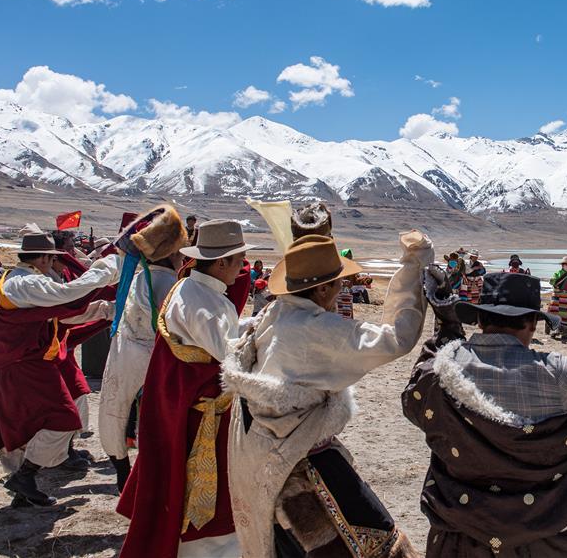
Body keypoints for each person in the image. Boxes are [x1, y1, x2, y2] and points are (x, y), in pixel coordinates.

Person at [402, 270, 567, 557]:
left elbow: (414, 404)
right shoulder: (556, 374)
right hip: (544, 544)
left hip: (456, 544)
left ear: (480, 320)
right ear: (532, 323)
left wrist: (447, 326)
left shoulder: (438, 374)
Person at [223, 232, 432, 556]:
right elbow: (397, 338)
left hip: (264, 459)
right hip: (304, 464)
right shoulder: (315, 328)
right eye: (337, 283)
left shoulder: (275, 314)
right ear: (321, 288)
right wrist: (414, 263)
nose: (341, 289)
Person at [117, 219, 255, 558]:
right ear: (221, 262)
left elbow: (226, 334)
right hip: (199, 420)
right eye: (238, 263)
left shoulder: (197, 290)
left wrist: (258, 324)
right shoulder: (198, 302)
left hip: (194, 410)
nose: (241, 272)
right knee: (204, 502)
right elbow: (227, 352)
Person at [0, 233, 121, 507]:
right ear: (44, 258)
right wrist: (105, 271)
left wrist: (108, 310)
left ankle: (23, 489)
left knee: (25, 426)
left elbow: (64, 314)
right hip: (22, 366)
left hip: (22, 365)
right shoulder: (26, 283)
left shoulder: (19, 281)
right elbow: (67, 297)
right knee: (63, 419)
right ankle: (24, 476)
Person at [99, 206, 188, 492]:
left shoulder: (140, 277)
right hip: (152, 358)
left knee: (117, 407)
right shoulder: (169, 284)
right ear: (173, 253)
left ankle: (122, 470)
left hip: (126, 351)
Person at [547, 256, 567, 339]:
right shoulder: (557, 273)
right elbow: (552, 281)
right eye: (566, 264)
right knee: (554, 313)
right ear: (562, 265)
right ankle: (554, 330)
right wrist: (554, 281)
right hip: (557, 297)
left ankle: (565, 332)